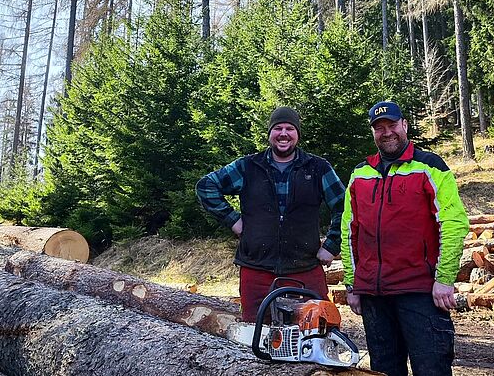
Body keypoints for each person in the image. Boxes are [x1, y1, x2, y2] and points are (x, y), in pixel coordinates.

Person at [341, 101, 469, 376]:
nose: (386, 133)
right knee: (384, 371)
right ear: (373, 133)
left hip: (420, 291)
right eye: (379, 128)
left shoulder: (429, 167)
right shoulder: (360, 173)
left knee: (431, 369)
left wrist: (444, 279)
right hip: (375, 295)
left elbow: (454, 223)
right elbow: (349, 231)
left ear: (404, 126)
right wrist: (352, 284)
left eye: (392, 125)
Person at [196, 106, 345, 322]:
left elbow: (345, 206)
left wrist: (332, 245)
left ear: (297, 134)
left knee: (316, 332)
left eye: (290, 129)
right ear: (270, 134)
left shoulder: (317, 168)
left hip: (304, 269)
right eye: (278, 128)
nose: (283, 134)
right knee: (256, 338)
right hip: (256, 271)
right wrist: (233, 220)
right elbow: (205, 186)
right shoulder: (249, 167)